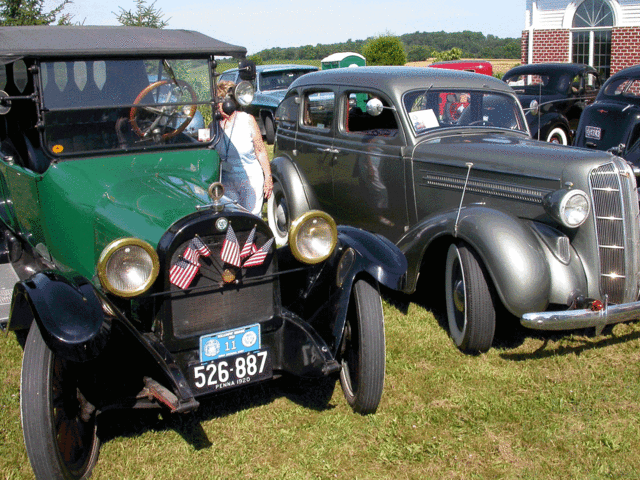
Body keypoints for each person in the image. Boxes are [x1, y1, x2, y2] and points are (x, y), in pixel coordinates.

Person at [214, 80, 272, 216]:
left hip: (250, 178)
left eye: (219, 100)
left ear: (229, 102)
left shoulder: (247, 120)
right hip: (226, 180)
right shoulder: (214, 125)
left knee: (252, 216)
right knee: (232, 218)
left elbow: (261, 151)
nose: (216, 105)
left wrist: (268, 177)